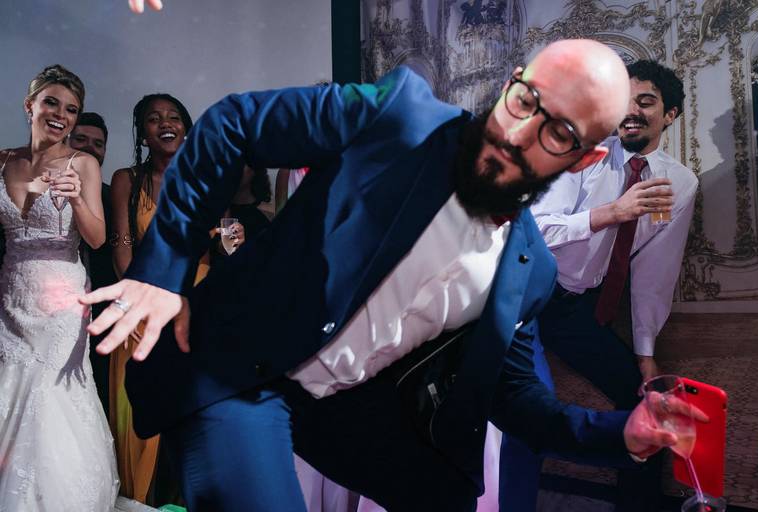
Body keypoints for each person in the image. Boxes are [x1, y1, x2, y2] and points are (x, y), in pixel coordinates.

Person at [83, 40, 698, 512]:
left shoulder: (529, 271)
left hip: (343, 410)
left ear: (586, 157)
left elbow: (515, 399)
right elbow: (235, 123)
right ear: (512, 83)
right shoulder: (401, 117)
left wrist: (621, 432)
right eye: (524, 100)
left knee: (446, 496)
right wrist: (162, 272)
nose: (518, 133)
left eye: (557, 131)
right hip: (239, 369)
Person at [500, 59, 698, 512]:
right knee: (525, 407)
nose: (631, 111)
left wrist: (645, 353)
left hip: (574, 308)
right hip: (522, 298)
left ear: (669, 115)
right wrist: (612, 212)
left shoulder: (679, 183)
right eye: (624, 101)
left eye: (645, 102)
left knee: (644, 400)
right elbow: (533, 229)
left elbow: (655, 272)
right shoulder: (583, 155)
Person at [0, 64, 118, 510]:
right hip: (11, 293)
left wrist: (75, 198)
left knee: (51, 394)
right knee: (8, 384)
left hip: (61, 300)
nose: (61, 115)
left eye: (71, 109)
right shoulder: (3, 160)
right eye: (51, 102)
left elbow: (97, 239)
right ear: (29, 105)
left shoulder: (82, 163)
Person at [108, 93, 193, 504]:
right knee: (139, 420)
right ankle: (139, 502)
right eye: (155, 118)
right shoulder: (127, 179)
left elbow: (220, 242)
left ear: (186, 128)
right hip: (140, 305)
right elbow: (121, 251)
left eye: (174, 117)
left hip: (193, 306)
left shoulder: (206, 177)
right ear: (143, 133)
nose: (165, 123)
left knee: (190, 415)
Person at [69, 111, 115, 413]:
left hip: (100, 314)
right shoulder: (35, 187)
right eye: (81, 139)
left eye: (98, 144)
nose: (90, 148)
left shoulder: (113, 198)